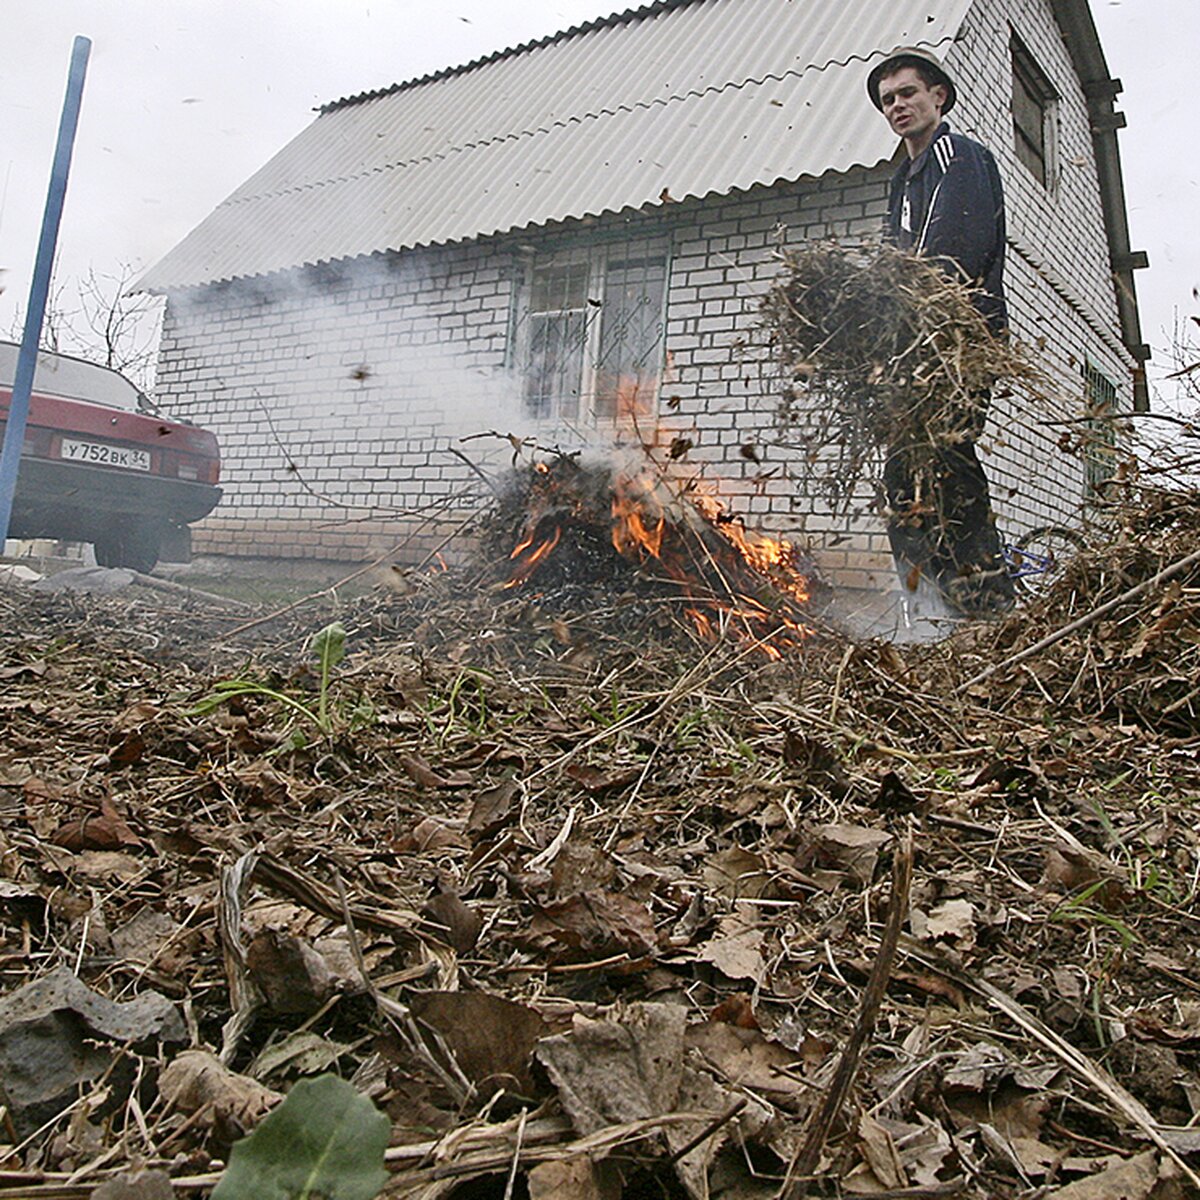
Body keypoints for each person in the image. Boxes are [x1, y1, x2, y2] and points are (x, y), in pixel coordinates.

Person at [866, 47, 1015, 617]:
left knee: (946, 461)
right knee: (906, 479)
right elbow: (891, 261)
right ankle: (929, 610)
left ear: (938, 97)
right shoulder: (901, 180)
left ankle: (990, 605)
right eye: (887, 101)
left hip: (957, 343)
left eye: (907, 93)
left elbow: (953, 253)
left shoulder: (961, 157)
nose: (897, 106)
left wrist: (911, 312)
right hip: (912, 350)